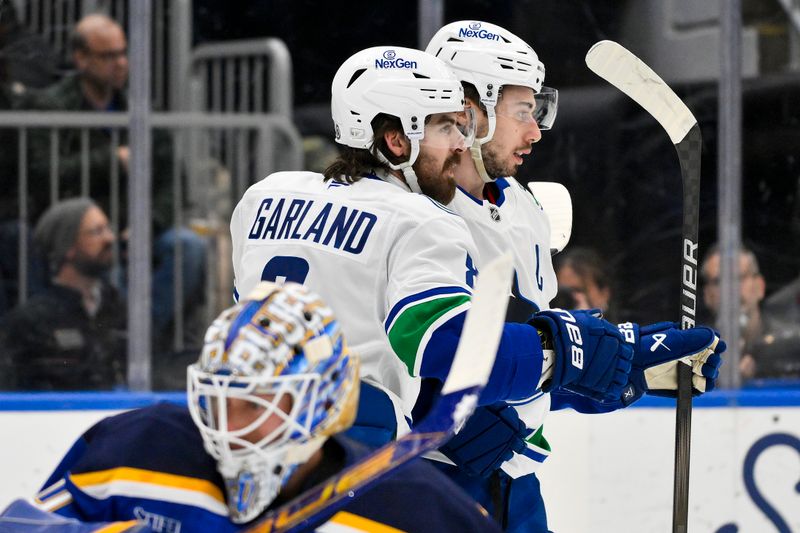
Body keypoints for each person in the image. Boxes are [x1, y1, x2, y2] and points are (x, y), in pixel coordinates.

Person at [230, 41, 723, 494]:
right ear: (397, 140)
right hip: (387, 465)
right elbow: (447, 349)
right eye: (447, 127)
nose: (462, 143)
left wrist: (613, 367)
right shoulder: (419, 220)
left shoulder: (265, 197)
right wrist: (592, 353)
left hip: (271, 449)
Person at [424, 20, 725, 531]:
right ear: (467, 112)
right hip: (432, 483)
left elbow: (529, 365)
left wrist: (626, 363)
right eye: (523, 111)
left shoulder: (524, 208)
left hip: (515, 488)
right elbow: (425, 367)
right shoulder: (409, 215)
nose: (536, 130)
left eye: (540, 110)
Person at [3, 282, 502, 532]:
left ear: (319, 401)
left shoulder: (417, 511)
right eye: (219, 403)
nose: (227, 428)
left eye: (254, 405)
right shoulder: (135, 448)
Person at [23, 13, 207, 364]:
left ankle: (138, 341)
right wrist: (110, 160)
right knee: (108, 260)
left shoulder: (139, 107)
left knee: (188, 246)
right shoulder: (51, 106)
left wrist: (146, 224)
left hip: (136, 225)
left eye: (124, 54)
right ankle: (116, 347)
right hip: (77, 225)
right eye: (108, 56)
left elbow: (172, 181)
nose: (120, 64)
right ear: (81, 58)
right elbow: (44, 173)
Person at [0, 198, 126, 390]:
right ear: (68, 247)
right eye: (96, 232)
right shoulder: (31, 320)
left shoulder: (119, 306)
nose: (109, 238)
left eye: (108, 228)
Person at [701, 243, 799, 379]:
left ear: (760, 286)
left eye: (739, 278)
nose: (731, 290)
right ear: (707, 295)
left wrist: (763, 367)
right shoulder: (695, 351)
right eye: (719, 281)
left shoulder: (793, 344)